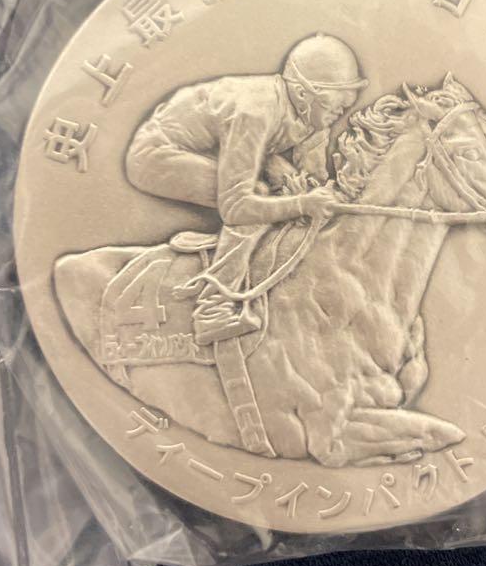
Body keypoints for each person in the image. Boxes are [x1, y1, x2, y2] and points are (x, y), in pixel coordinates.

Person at [125, 34, 366, 344]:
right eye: (337, 102)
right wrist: (302, 203)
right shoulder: (255, 111)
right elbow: (236, 208)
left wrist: (324, 196)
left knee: (287, 190)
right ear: (303, 94)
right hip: (158, 154)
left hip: (226, 145)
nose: (343, 110)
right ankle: (213, 309)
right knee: (258, 200)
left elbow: (313, 180)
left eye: (348, 101)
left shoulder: (316, 115)